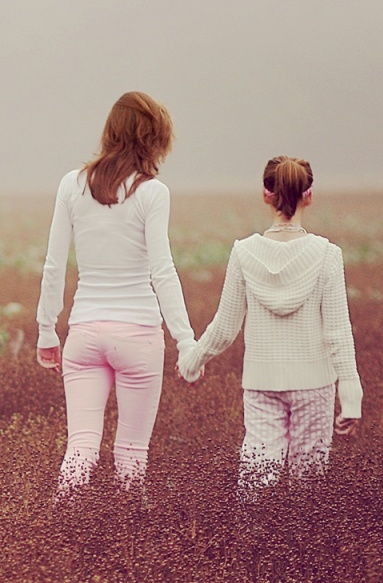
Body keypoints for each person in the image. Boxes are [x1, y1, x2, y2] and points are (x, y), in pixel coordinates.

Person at [36, 91, 195, 493]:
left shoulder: (71, 185)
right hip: (138, 334)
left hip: (84, 334)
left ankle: (59, 535)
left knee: (80, 447)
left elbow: (54, 263)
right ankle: (130, 542)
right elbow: (163, 270)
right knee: (131, 452)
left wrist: (45, 330)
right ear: (154, 137)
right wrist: (185, 340)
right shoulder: (153, 192)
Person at [178, 155, 362, 492]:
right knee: (308, 490)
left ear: (266, 194)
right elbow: (338, 332)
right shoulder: (326, 254)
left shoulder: (244, 252)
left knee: (256, 481)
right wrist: (351, 397)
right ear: (309, 195)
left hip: (260, 383)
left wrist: (192, 360)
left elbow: (225, 326)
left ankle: (251, 543)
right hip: (315, 384)